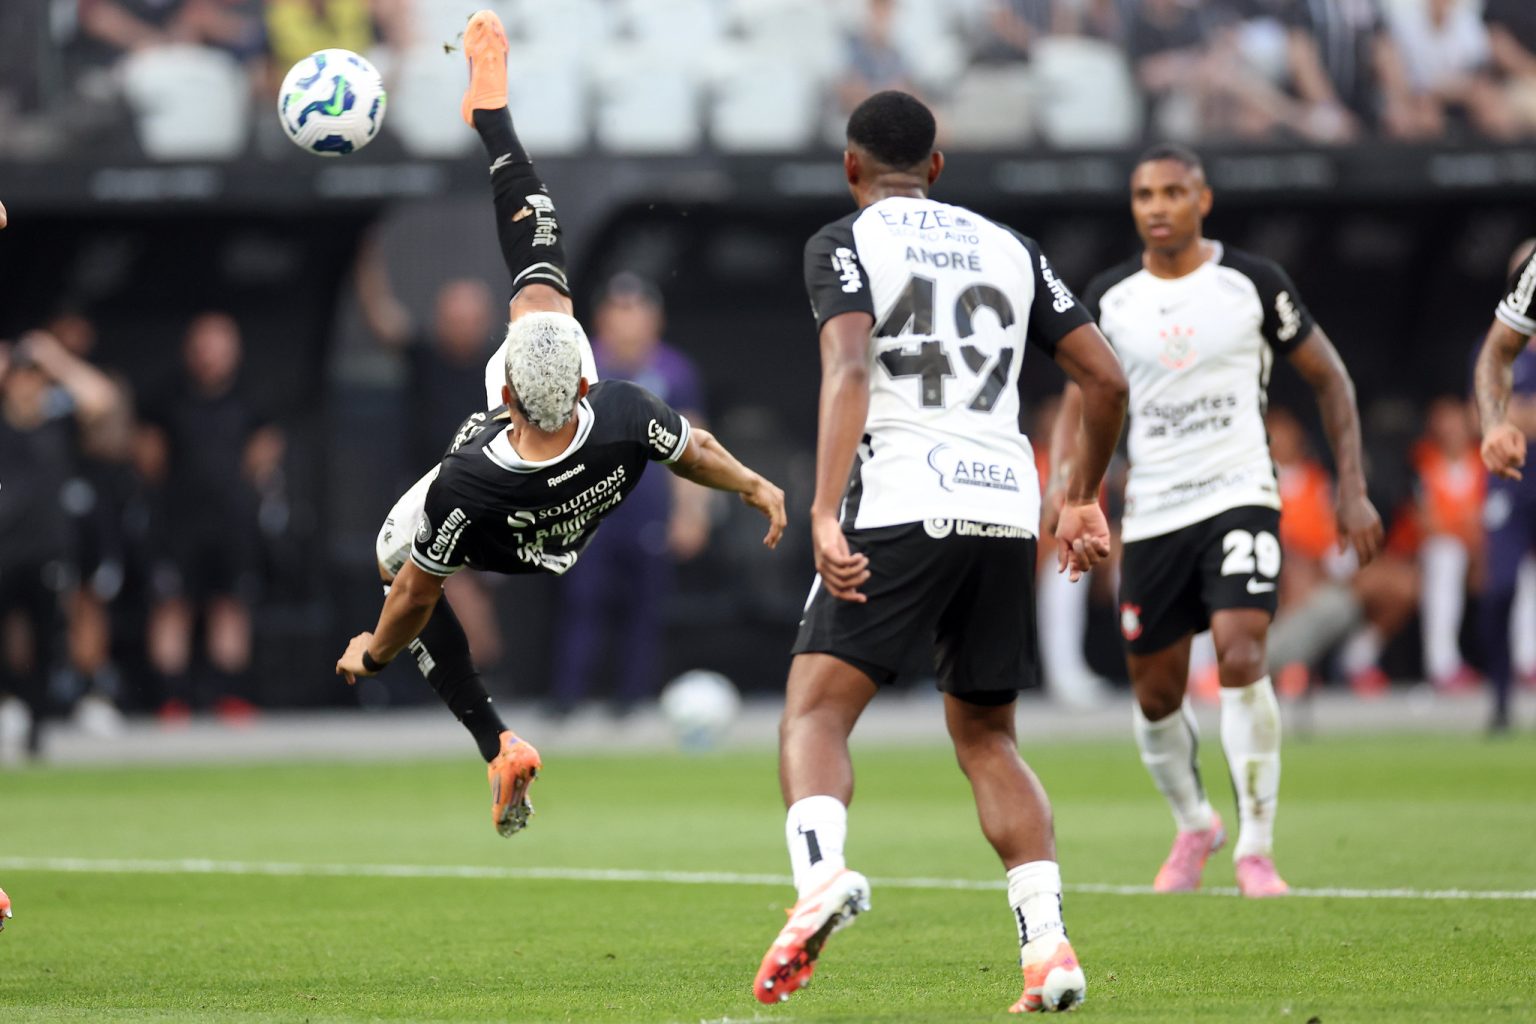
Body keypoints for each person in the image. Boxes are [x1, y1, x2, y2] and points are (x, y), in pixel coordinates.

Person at [333, 9, 787, 839]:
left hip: (501, 520)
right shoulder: (620, 409)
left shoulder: (466, 480)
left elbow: (410, 596)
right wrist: (757, 486)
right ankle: (492, 115)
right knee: (540, 256)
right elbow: (697, 449)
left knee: (396, 561)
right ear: (586, 375)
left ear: (502, 393)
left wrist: (376, 650)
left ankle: (496, 741)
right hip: (572, 512)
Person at [754, 90, 1128, 1014]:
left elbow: (848, 367)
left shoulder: (843, 243)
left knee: (813, 717)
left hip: (901, 499)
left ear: (850, 168)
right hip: (1003, 511)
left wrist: (824, 510)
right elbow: (1105, 376)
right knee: (990, 738)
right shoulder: (1010, 246)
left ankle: (821, 880)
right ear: (938, 167)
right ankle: (1047, 949)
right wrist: (1079, 494)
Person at [1060, 143, 1383, 899]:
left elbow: (1330, 379)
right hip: (1154, 508)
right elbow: (1082, 396)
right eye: (1145, 194)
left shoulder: (1252, 283)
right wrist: (1072, 489)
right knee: (1155, 693)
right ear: (1134, 206)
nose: (1158, 207)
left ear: (1202, 199)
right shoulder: (1109, 297)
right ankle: (1196, 823)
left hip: (1238, 491)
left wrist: (1352, 488)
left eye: (1174, 191)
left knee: (1241, 654)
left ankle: (1257, 849)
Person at [548, 273, 709, 716]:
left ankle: (632, 698)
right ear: (600, 320)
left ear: (655, 319)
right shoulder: (580, 368)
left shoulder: (675, 371)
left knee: (645, 606)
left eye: (637, 311)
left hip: (649, 508)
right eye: (619, 311)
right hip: (588, 509)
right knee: (583, 601)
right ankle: (568, 696)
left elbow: (694, 446)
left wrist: (692, 512)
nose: (628, 322)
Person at [140, 313, 282, 722]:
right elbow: (149, 457)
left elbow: (265, 451)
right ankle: (171, 697)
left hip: (233, 521)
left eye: (218, 347)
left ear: (233, 351)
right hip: (177, 521)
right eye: (202, 347)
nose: (210, 357)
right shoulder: (166, 398)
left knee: (231, 602)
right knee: (172, 603)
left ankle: (229, 694)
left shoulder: (252, 397)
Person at [0, 330, 120, 756]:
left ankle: (37, 720)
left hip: (49, 548)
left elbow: (102, 399)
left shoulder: (58, 421)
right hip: (4, 547)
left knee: (48, 634)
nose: (28, 384)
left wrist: (55, 359)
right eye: (21, 375)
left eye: (35, 377)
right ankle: (7, 701)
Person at [1472, 239, 1536, 732]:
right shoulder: (1505, 339)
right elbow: (1492, 366)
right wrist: (1497, 423)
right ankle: (1498, 699)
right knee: (1499, 590)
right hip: (1513, 483)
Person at [1411, 395, 1486, 691]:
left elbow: (1493, 516)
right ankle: (1443, 665)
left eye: (1456, 421)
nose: (1451, 429)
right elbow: (1426, 521)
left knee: (1524, 565)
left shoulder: (1486, 458)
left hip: (1480, 552)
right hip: (1433, 554)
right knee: (1446, 555)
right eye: (1444, 422)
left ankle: (1526, 661)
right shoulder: (1421, 460)